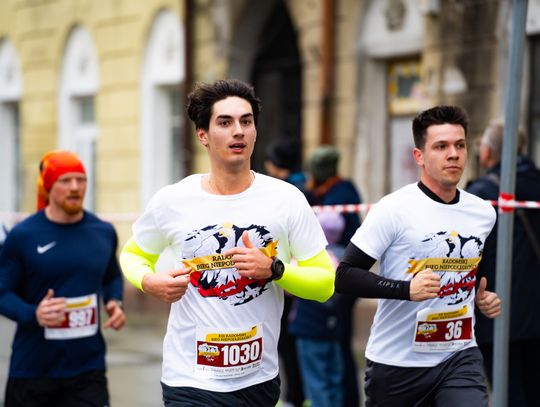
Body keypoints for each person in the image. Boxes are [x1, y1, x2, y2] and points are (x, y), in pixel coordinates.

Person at [119, 79, 335, 407]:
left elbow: (325, 285)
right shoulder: (173, 200)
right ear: (202, 135)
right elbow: (133, 254)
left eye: (246, 122)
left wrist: (275, 270)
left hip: (258, 378)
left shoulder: (286, 199)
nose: (238, 131)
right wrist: (148, 281)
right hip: (190, 379)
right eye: (225, 122)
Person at [335, 105, 501, 406]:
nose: (453, 154)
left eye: (460, 145)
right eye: (441, 146)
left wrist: (484, 297)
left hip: (458, 356)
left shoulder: (483, 212)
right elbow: (344, 276)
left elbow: (477, 273)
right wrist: (406, 289)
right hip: (397, 365)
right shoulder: (393, 209)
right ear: (419, 156)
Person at [0, 150, 126, 407]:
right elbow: (2, 293)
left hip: (88, 370)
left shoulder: (102, 231)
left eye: (81, 180)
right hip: (33, 370)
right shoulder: (23, 235)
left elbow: (111, 275)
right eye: (65, 180)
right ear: (48, 186)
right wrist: (34, 314)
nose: (75, 187)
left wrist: (114, 301)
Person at [466, 120, 540, 406]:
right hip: (535, 309)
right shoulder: (536, 183)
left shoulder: (482, 192)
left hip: (497, 310)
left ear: (487, 153)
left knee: (508, 392)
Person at [305, 145, 361, 407]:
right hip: (342, 277)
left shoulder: (338, 196)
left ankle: (347, 400)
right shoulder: (337, 191)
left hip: (338, 279)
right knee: (337, 348)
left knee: (336, 347)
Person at [289, 211, 349, 407]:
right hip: (334, 327)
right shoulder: (344, 255)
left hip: (308, 327)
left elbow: (288, 287)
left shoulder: (306, 260)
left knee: (315, 381)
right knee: (335, 377)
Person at [264, 138, 306, 407]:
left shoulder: (285, 194)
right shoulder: (305, 185)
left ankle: (294, 397)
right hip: (297, 276)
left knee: (287, 343)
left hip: (288, 277)